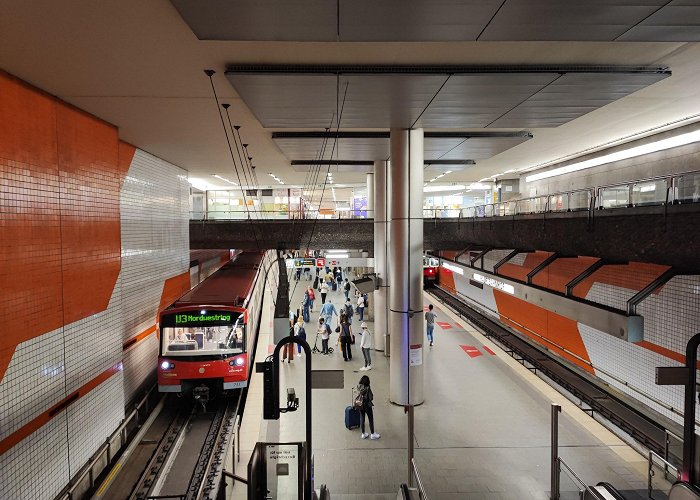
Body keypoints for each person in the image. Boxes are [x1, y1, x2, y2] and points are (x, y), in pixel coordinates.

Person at [357, 375, 380, 440]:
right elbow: (371, 397)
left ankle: (363, 434)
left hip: (360, 404)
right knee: (370, 418)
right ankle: (372, 434)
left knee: (362, 418)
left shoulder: (359, 386)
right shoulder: (367, 388)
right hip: (367, 405)